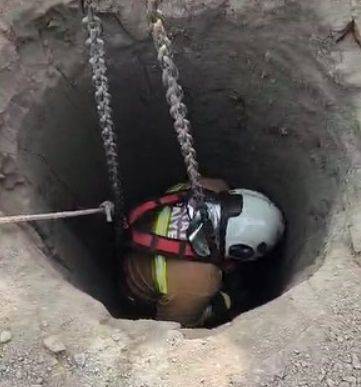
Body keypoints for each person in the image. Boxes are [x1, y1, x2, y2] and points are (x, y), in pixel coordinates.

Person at [120, 176, 285, 328]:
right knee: (225, 300)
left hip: (134, 232)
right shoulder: (201, 281)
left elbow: (172, 190)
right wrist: (222, 303)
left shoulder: (208, 186)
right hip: (132, 288)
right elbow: (174, 326)